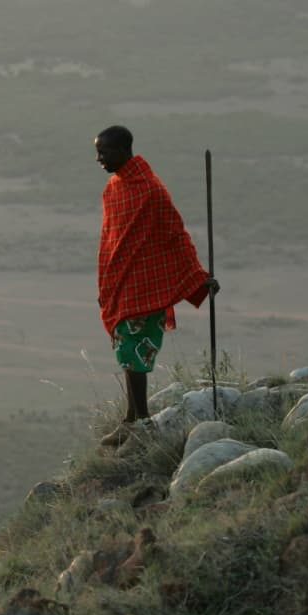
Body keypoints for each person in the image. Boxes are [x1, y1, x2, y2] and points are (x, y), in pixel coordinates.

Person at [94, 125, 218, 429]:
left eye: (104, 152)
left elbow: (175, 235)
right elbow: (109, 241)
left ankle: (142, 420)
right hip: (122, 284)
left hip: (148, 286)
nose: (99, 159)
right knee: (126, 349)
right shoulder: (113, 189)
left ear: (124, 151)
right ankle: (131, 418)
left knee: (134, 351)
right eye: (97, 152)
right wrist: (106, 283)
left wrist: (198, 276)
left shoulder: (151, 190)